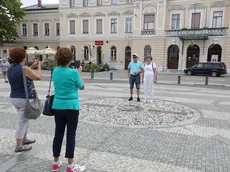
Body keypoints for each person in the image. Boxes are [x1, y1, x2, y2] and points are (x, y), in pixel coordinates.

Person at [51, 48, 86, 172]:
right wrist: (79, 73)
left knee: (58, 134)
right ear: (70, 59)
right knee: (70, 134)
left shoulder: (54, 71)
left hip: (58, 106)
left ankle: (56, 163)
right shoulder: (73, 72)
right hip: (71, 107)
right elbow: (82, 86)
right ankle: (70, 165)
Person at [7, 48, 43, 152]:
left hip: (14, 97)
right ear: (23, 57)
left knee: (24, 118)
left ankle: (25, 139)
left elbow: (24, 72)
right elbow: (38, 77)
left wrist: (32, 66)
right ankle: (19, 145)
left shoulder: (11, 68)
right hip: (24, 99)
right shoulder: (24, 68)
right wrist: (39, 67)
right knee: (22, 121)